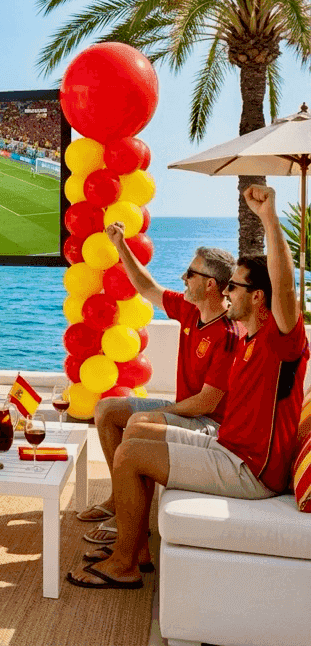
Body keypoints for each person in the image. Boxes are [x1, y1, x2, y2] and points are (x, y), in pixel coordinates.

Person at [67, 185, 309, 590]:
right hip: (228, 447)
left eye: (235, 287)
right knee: (136, 434)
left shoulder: (278, 343)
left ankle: (124, 563)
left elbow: (284, 290)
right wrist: (121, 245)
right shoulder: (248, 336)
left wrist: (269, 218)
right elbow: (149, 288)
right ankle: (135, 547)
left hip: (250, 470)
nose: (228, 292)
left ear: (258, 298)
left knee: (130, 454)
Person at [77, 225, 241, 543]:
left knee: (140, 424)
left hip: (208, 423)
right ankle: (119, 499)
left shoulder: (229, 334)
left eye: (190, 273)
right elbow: (147, 287)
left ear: (210, 284)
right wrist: (121, 245)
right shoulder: (191, 309)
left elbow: (207, 403)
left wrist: (160, 413)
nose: (183, 277)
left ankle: (131, 520)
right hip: (185, 410)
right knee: (106, 409)